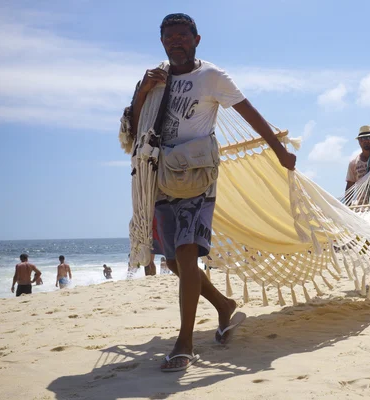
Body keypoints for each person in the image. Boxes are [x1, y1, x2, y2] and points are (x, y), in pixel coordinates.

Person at [120, 13, 296, 372]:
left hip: (197, 175)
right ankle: (223, 306)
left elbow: (248, 112)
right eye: (169, 38)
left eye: (182, 36)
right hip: (159, 177)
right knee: (172, 260)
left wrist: (279, 152)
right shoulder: (154, 77)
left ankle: (184, 342)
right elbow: (135, 128)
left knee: (186, 256)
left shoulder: (211, 76)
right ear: (162, 42)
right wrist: (142, 92)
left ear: (197, 39)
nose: (176, 43)